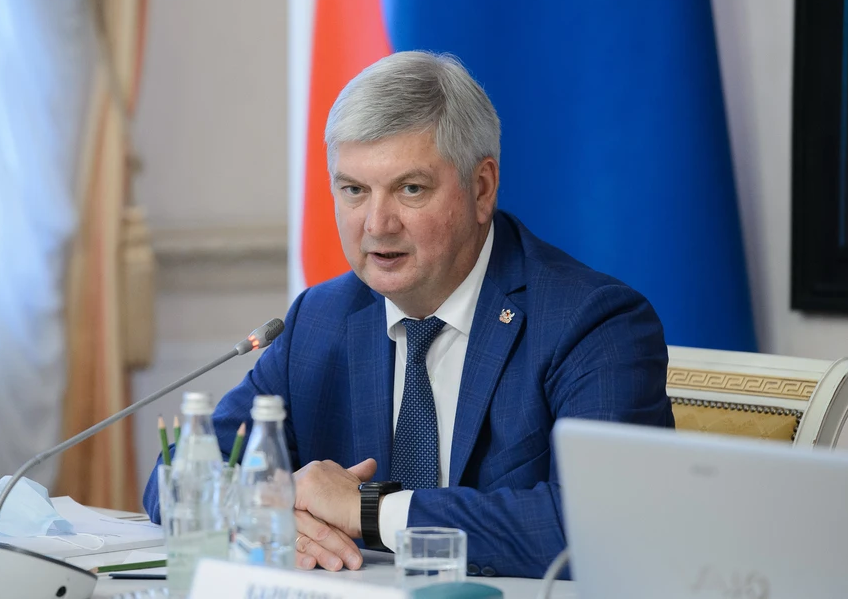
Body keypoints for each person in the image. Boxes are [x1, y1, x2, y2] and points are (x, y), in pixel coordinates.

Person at [143, 50, 674, 578]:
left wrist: (368, 511)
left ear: (482, 188)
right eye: (354, 190)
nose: (377, 224)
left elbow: (603, 525)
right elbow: (175, 478)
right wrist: (274, 509)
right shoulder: (320, 320)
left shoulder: (592, 323)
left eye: (410, 189)